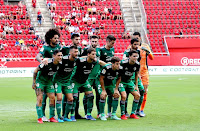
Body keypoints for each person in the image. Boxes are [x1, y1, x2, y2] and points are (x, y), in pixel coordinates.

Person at [70, 48, 106, 121]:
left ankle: (88, 115)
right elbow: (73, 59)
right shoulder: (80, 61)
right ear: (88, 54)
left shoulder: (95, 62)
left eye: (95, 54)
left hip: (84, 81)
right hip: (75, 81)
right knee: (75, 97)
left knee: (91, 96)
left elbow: (104, 65)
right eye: (93, 54)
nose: (94, 56)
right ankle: (72, 115)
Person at [36, 28, 61, 122]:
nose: (57, 40)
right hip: (44, 74)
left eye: (58, 38)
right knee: (42, 97)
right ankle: (41, 116)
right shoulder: (45, 47)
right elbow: (38, 56)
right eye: (55, 38)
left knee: (52, 97)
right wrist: (42, 60)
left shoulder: (59, 47)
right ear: (50, 38)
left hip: (53, 76)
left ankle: (52, 116)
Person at [32, 50, 62, 124]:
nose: (60, 57)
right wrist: (34, 82)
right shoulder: (46, 62)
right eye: (58, 55)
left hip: (49, 82)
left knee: (52, 98)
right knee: (40, 98)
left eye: (61, 55)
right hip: (40, 82)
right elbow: (35, 70)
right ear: (54, 56)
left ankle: (52, 117)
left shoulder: (60, 63)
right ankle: (39, 118)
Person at [53, 46, 79, 122]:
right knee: (59, 98)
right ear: (70, 52)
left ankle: (65, 116)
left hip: (67, 82)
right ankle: (59, 117)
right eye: (75, 52)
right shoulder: (63, 59)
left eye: (77, 52)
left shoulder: (77, 60)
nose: (77, 53)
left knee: (71, 99)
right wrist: (45, 59)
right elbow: (53, 60)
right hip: (58, 81)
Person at [61, 33, 83, 119]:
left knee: (76, 95)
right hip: (67, 75)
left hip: (76, 76)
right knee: (66, 95)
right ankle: (64, 114)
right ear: (72, 40)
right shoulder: (65, 49)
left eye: (79, 39)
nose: (78, 41)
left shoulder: (80, 49)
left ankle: (76, 113)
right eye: (76, 39)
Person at [132, 32, 154, 117]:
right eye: (134, 38)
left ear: (140, 38)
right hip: (134, 72)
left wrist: (147, 51)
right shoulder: (131, 47)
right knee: (132, 91)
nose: (136, 40)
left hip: (144, 72)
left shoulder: (145, 46)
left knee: (144, 91)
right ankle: (131, 110)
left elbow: (152, 58)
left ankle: (141, 110)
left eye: (137, 38)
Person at [81, 35, 101, 117]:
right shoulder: (86, 50)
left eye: (96, 41)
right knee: (87, 95)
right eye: (92, 41)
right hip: (88, 76)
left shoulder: (100, 50)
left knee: (99, 94)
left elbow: (101, 61)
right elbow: (80, 58)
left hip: (97, 76)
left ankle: (99, 113)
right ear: (90, 41)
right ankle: (86, 113)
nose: (94, 43)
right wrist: (89, 57)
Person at [119, 50, 141, 120]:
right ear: (129, 56)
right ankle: (123, 114)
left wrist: (136, 85)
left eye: (136, 56)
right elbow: (118, 74)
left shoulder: (137, 64)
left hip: (129, 81)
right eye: (134, 56)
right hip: (121, 82)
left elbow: (137, 74)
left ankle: (133, 114)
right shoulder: (123, 63)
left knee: (137, 95)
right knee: (124, 96)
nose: (135, 58)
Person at [100, 35, 115, 117]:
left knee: (111, 94)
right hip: (103, 74)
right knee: (102, 94)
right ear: (107, 41)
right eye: (112, 43)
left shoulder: (112, 50)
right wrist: (107, 65)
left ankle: (109, 112)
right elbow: (99, 61)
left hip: (111, 75)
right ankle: (101, 113)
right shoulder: (102, 50)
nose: (113, 45)